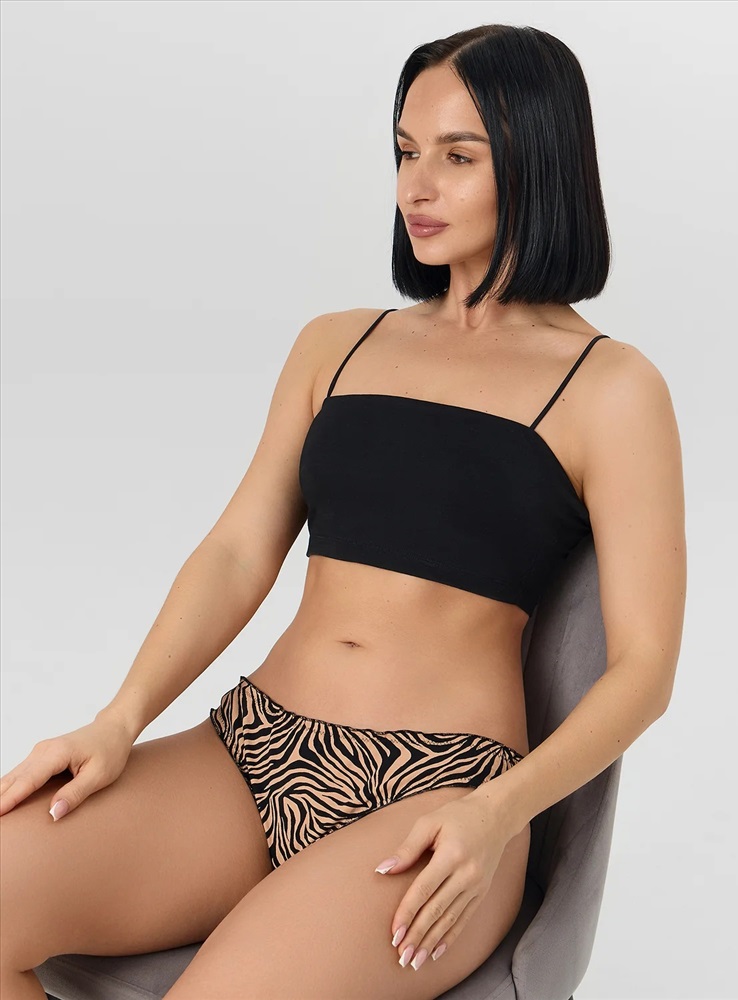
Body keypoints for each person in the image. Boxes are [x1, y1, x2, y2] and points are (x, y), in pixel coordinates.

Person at [0, 23, 686, 1000]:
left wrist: (497, 814)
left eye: (456, 157)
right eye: (405, 152)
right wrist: (119, 718)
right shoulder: (337, 343)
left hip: (437, 793)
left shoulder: (610, 388)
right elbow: (238, 551)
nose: (416, 186)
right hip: (249, 751)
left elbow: (643, 671)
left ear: (536, 163)